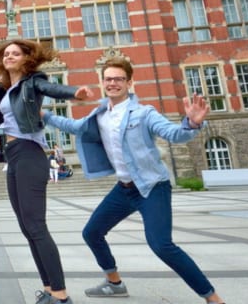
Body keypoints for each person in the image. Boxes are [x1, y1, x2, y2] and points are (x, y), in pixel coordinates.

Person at [43, 57, 225, 304]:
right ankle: (114, 283)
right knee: (92, 232)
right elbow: (74, 126)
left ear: (129, 82)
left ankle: (213, 298)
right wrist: (45, 115)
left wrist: (192, 123)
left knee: (162, 246)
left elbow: (173, 133)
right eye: (108, 79)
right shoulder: (100, 114)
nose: (113, 83)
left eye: (119, 79)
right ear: (103, 82)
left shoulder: (144, 113)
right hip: (124, 189)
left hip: (152, 188)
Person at [0, 39, 91, 304]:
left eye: (15, 53)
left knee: (36, 226)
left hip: (30, 153)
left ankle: (61, 294)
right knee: (26, 227)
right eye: (6, 53)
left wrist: (74, 92)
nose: (9, 56)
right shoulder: (5, 87)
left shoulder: (32, 82)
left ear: (26, 58)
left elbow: (51, 87)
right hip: (13, 155)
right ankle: (48, 288)